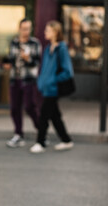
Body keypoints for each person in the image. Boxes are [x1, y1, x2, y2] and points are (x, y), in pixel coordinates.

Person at [30, 21, 74, 153]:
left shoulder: (62, 48)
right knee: (55, 116)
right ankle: (66, 140)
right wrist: (42, 82)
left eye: (48, 30)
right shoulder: (48, 47)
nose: (45, 33)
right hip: (46, 88)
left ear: (55, 32)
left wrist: (51, 80)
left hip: (53, 89)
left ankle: (40, 142)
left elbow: (68, 72)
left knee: (44, 115)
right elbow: (44, 69)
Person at [3, 19, 41, 148]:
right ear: (19, 29)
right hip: (15, 79)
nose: (26, 31)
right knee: (15, 108)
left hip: (28, 79)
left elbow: (36, 63)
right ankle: (18, 135)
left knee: (30, 107)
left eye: (28, 28)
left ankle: (41, 131)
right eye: (24, 28)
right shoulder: (14, 42)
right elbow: (10, 58)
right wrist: (7, 64)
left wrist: (28, 59)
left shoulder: (35, 43)